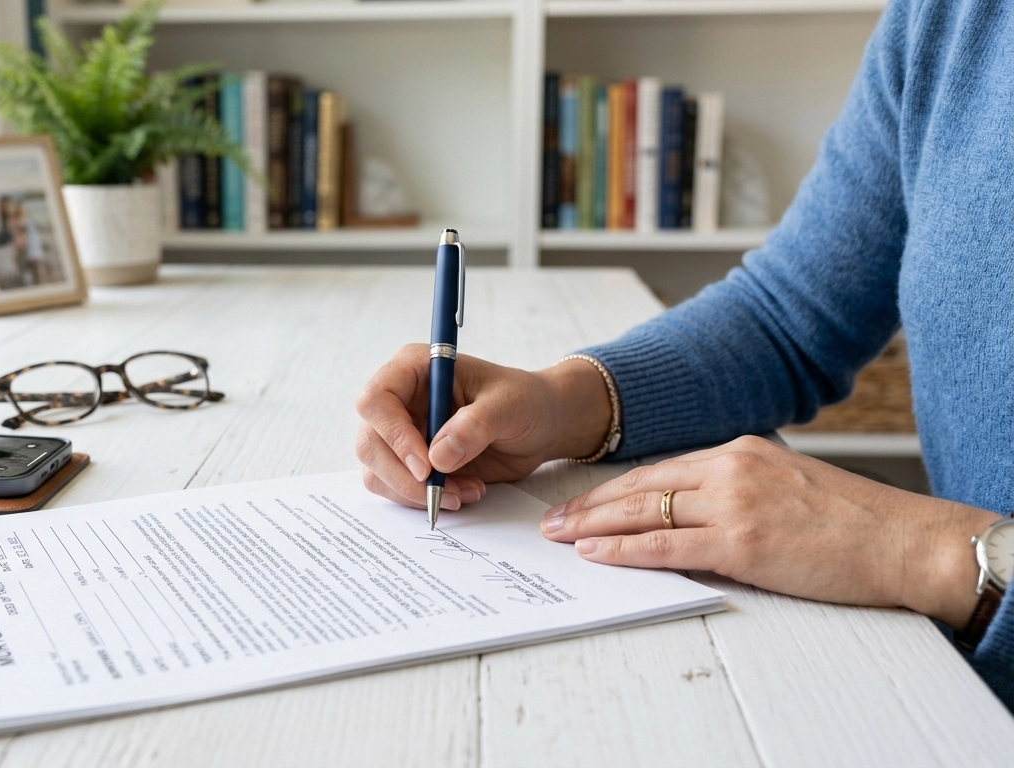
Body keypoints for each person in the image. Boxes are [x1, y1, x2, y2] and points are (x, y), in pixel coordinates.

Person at [354, 0, 1013, 706]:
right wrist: (562, 403)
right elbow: (787, 319)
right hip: (955, 691)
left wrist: (929, 550)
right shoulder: (950, 19)